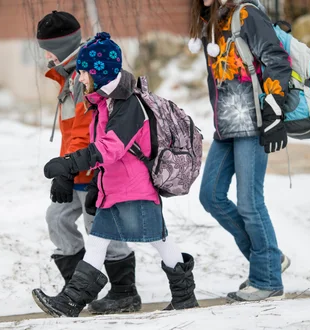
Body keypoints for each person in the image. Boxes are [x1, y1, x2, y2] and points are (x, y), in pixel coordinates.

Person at [32, 32, 199, 318]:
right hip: (116, 189)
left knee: (159, 240)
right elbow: (105, 157)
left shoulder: (128, 104)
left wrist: (70, 164)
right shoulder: (104, 103)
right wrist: (97, 186)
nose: (81, 79)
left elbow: (110, 148)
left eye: (83, 73)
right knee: (102, 242)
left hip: (134, 189)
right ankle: (71, 302)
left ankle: (183, 297)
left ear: (98, 72)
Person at [36, 11, 141, 314]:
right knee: (57, 218)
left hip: (95, 169)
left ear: (59, 47)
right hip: (75, 167)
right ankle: (77, 288)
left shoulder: (88, 75)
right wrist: (65, 170)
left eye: (47, 48)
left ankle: (124, 292)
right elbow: (71, 132)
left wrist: (71, 169)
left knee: (102, 228)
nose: (44, 55)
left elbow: (90, 133)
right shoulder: (69, 77)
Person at [189, 0, 291, 302]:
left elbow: (276, 59)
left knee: (249, 203)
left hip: (253, 121)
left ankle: (268, 279)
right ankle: (271, 259)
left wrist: (273, 111)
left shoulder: (245, 13)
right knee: (211, 196)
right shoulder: (211, 21)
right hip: (226, 126)